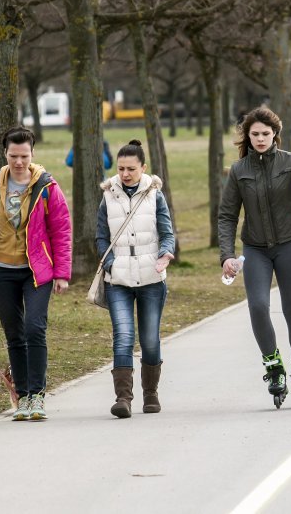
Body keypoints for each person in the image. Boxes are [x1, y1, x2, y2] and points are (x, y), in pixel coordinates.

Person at [218, 107, 291, 409]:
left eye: (265, 134)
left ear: (275, 135)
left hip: (287, 244)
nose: (259, 139)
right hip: (255, 247)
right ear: (247, 136)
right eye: (254, 134)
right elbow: (227, 215)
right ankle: (274, 368)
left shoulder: (290, 163)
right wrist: (227, 255)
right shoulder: (239, 170)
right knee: (257, 306)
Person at [0, 126, 72, 421]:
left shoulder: (47, 187)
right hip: (2, 271)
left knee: (34, 328)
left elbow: (61, 231)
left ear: (32, 153)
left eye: (24, 156)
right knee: (14, 334)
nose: (18, 162)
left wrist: (62, 273)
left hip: (37, 272)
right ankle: (22, 396)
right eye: (13, 156)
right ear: (5, 153)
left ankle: (37, 395)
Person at [96, 139, 175, 419]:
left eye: (131, 168)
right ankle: (123, 398)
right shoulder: (108, 195)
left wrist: (165, 254)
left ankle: (150, 393)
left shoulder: (154, 195)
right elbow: (101, 236)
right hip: (118, 279)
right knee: (123, 337)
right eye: (121, 169)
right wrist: (110, 263)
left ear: (143, 168)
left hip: (151, 277)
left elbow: (167, 232)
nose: (125, 174)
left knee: (150, 340)